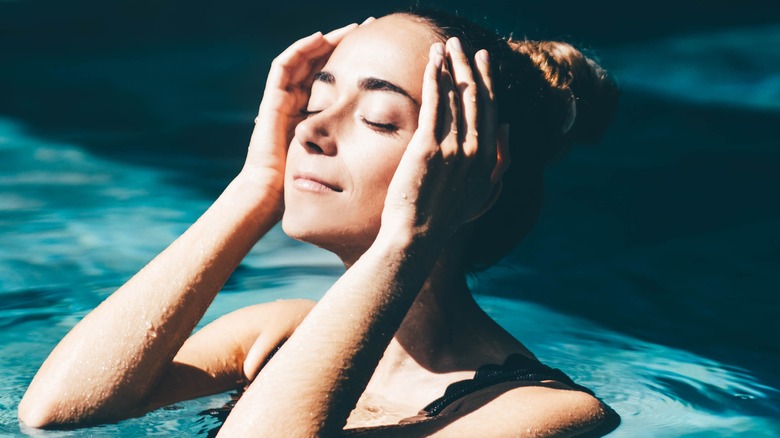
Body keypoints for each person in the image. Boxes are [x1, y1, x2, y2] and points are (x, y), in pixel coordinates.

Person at [18, 9, 620, 437]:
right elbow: (54, 413)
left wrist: (407, 239)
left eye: (379, 118)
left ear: (476, 173)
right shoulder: (276, 333)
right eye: (317, 101)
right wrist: (255, 189)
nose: (310, 129)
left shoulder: (542, 413)